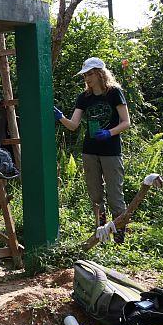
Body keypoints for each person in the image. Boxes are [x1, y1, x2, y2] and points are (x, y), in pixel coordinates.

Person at [55, 57, 131, 243]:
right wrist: (59, 117)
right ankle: (101, 235)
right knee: (95, 196)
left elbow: (126, 122)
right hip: (90, 151)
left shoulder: (114, 93)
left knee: (115, 195)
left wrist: (109, 133)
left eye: (90, 74)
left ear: (100, 73)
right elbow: (73, 125)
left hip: (111, 151)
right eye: (85, 75)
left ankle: (120, 236)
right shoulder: (84, 97)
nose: (87, 78)